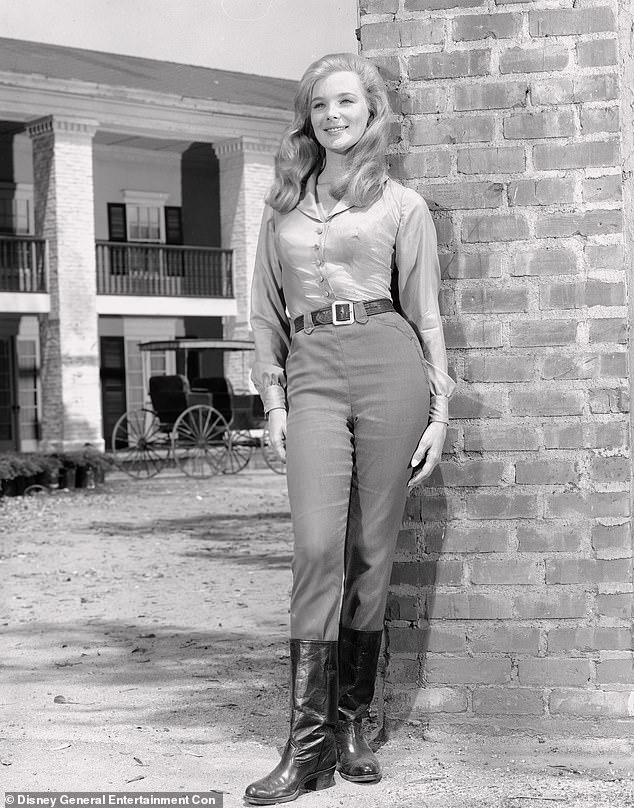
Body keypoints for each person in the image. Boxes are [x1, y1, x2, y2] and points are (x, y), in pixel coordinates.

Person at [244, 52, 455, 805]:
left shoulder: (403, 206)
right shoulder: (281, 207)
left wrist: (440, 408)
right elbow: (265, 313)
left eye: (347, 103)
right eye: (321, 105)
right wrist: (271, 401)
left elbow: (425, 312)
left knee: (372, 548)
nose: (335, 115)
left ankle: (353, 722)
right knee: (314, 548)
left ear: (371, 112)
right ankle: (304, 750)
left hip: (389, 363)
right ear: (309, 115)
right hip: (312, 372)